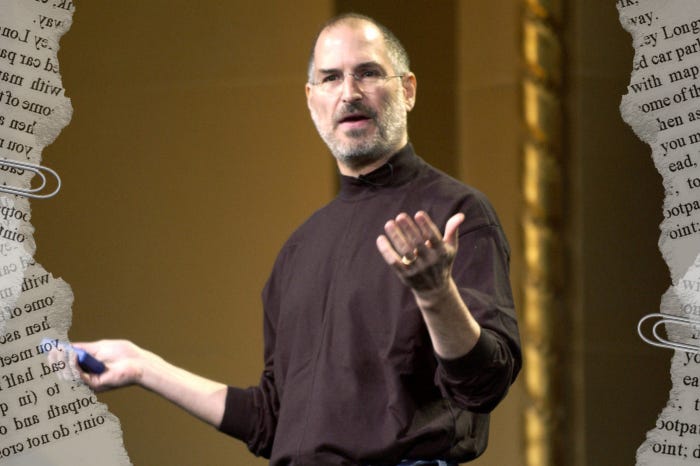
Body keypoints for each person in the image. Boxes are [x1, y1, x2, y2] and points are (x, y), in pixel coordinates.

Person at [74, 13, 521, 466]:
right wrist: (144, 366)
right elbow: (273, 420)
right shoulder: (299, 249)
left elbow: (485, 384)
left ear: (407, 90)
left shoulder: (456, 213)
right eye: (331, 78)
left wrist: (436, 294)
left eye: (368, 73)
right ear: (311, 101)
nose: (349, 92)